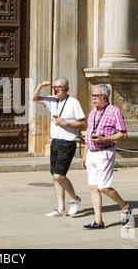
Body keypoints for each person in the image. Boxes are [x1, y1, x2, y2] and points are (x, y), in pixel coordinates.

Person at [81, 84, 132, 229]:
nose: (93, 99)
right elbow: (89, 134)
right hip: (91, 152)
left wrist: (104, 139)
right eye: (92, 95)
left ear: (105, 97)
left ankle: (125, 207)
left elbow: (123, 133)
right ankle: (98, 221)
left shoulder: (114, 111)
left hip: (105, 152)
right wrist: (85, 155)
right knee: (93, 187)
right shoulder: (93, 112)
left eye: (96, 96)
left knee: (103, 187)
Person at [33, 77, 86, 217]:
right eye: (55, 87)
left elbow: (83, 124)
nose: (56, 89)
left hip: (67, 142)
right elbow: (34, 98)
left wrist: (66, 124)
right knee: (54, 176)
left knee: (59, 176)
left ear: (66, 88)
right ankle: (60, 208)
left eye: (59, 87)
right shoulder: (51, 100)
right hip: (55, 142)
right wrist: (40, 86)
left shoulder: (74, 102)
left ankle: (75, 199)